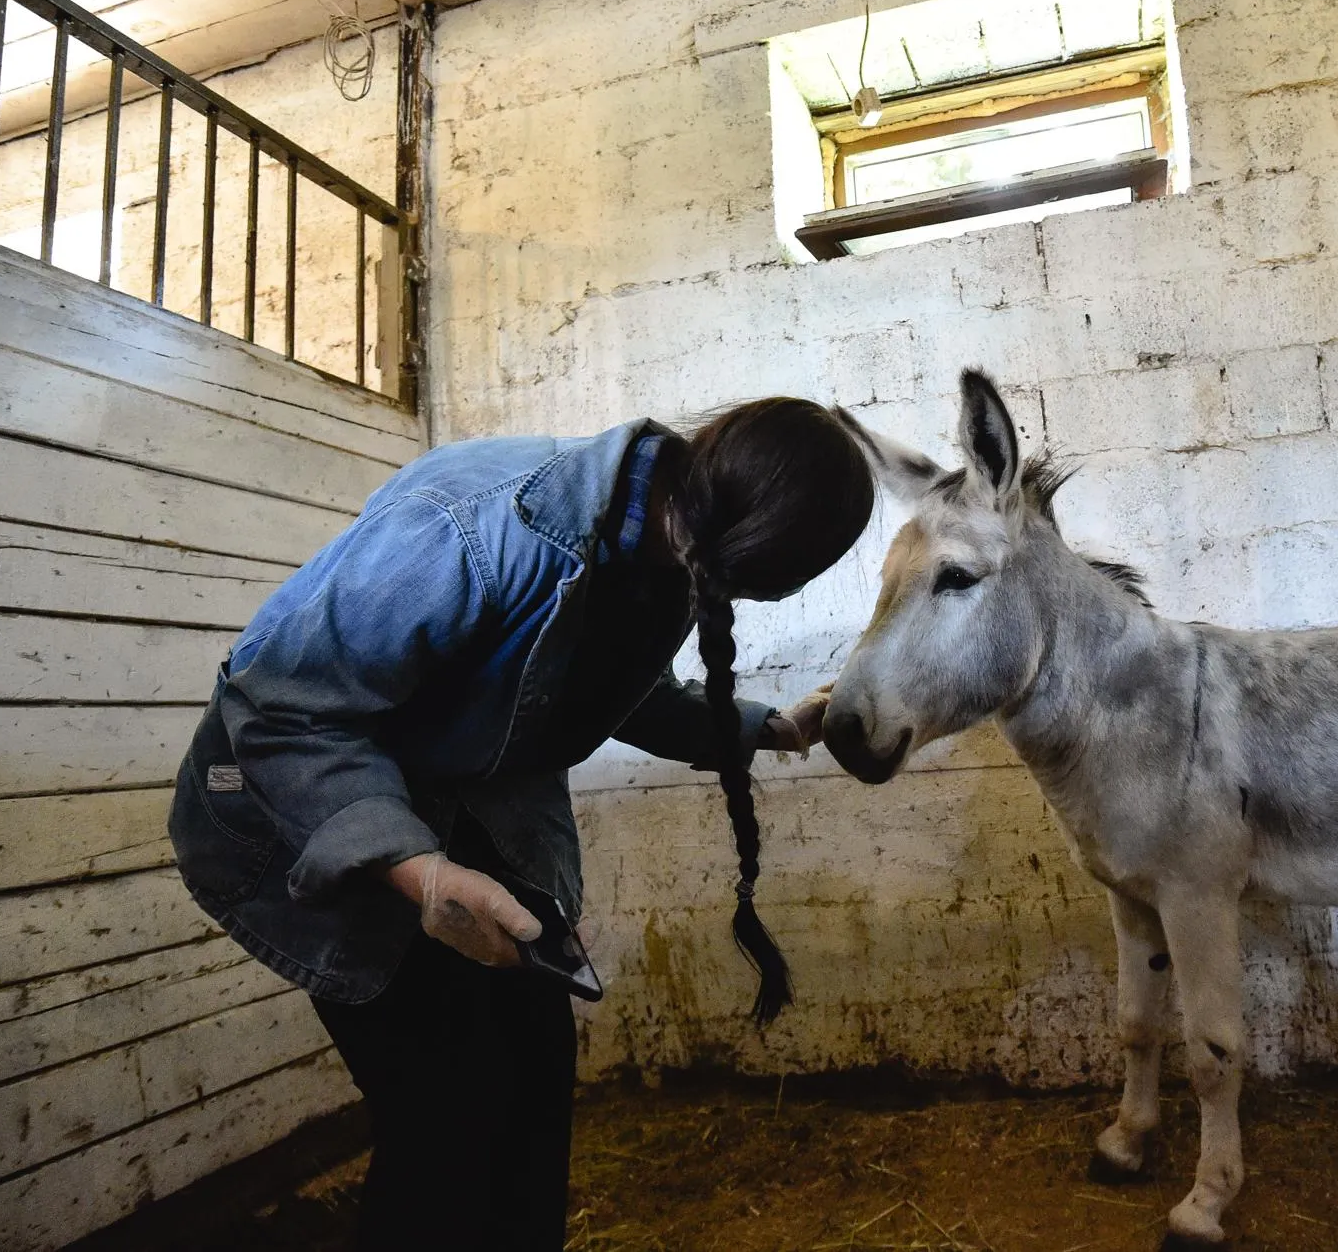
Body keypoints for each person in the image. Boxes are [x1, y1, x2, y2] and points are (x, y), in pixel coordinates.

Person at [166, 398, 876, 1251]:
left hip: (462, 808)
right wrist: (416, 869)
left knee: (535, 1082)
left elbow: (613, 681)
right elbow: (281, 709)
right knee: (446, 1119)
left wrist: (759, 725)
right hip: (299, 807)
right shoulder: (469, 530)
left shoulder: (667, 527)